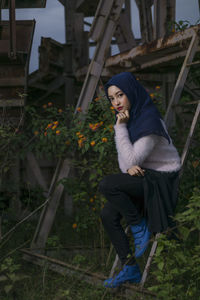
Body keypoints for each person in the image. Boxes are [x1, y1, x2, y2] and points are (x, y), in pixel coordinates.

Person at [99, 72, 181, 288]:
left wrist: (119, 128)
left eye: (120, 95)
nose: (116, 102)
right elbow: (126, 165)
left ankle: (138, 225)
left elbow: (132, 161)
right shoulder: (131, 118)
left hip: (162, 180)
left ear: (132, 93)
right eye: (112, 98)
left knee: (107, 184)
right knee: (107, 214)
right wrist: (122, 129)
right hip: (146, 175)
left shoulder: (148, 120)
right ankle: (130, 268)